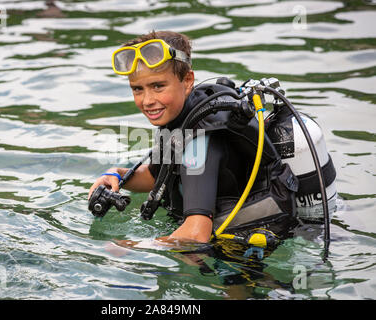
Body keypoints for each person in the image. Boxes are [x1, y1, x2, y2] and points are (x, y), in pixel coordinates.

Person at [88, 30, 299, 245]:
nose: (147, 100)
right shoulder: (182, 115)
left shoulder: (201, 139)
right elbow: (156, 177)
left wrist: (132, 247)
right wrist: (117, 175)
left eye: (158, 86)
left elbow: (196, 235)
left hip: (244, 257)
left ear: (188, 80)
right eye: (137, 89)